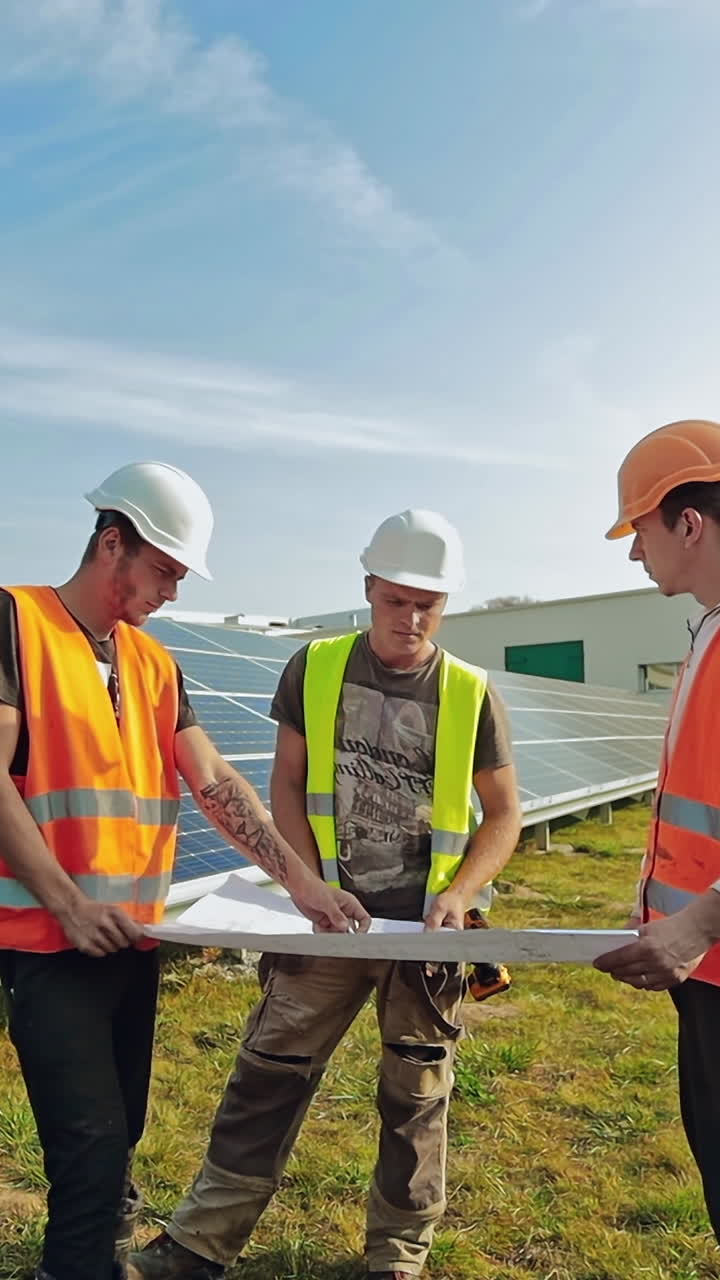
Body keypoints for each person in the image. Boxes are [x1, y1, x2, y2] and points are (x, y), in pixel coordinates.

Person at [130, 508, 522, 1280]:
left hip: (425, 933)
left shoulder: (471, 693)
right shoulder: (315, 667)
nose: (409, 619)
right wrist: (306, 886)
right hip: (329, 921)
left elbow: (505, 812)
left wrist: (462, 892)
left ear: (447, 604)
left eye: (428, 605)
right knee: (268, 1076)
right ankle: (201, 1242)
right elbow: (283, 779)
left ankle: (396, 1257)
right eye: (395, 599)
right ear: (369, 586)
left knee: (416, 1096)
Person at [0, 461, 368, 1280]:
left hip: (133, 942)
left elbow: (214, 783)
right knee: (89, 1140)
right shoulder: (13, 622)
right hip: (45, 942)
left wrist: (301, 883)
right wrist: (66, 903)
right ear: (110, 543)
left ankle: (97, 1256)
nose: (170, 591)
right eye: (164, 569)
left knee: (119, 1130)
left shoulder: (153, 664)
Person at [594, 419, 720, 1242]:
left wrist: (695, 927)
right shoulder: (709, 634)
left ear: (689, 523)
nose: (634, 553)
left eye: (638, 528)